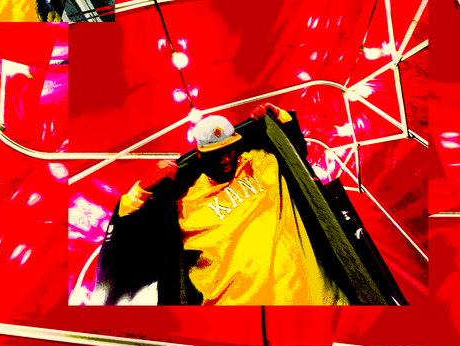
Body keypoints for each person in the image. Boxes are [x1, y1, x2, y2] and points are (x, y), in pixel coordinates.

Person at [117, 103, 350, 306]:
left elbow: (295, 149)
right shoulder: (184, 201)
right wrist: (141, 189)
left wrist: (278, 115)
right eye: (215, 153)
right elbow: (130, 240)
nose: (226, 158)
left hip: (319, 302)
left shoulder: (262, 160)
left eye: (229, 149)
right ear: (199, 155)